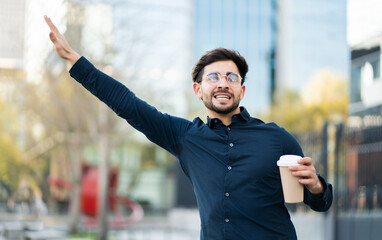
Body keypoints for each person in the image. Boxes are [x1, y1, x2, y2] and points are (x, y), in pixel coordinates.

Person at [44, 15, 332, 239]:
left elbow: (319, 202)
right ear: (198, 89)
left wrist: (317, 185)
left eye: (231, 77)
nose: (222, 82)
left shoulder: (277, 139)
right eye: (213, 77)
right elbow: (128, 105)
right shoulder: (185, 137)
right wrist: (74, 60)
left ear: (241, 90)